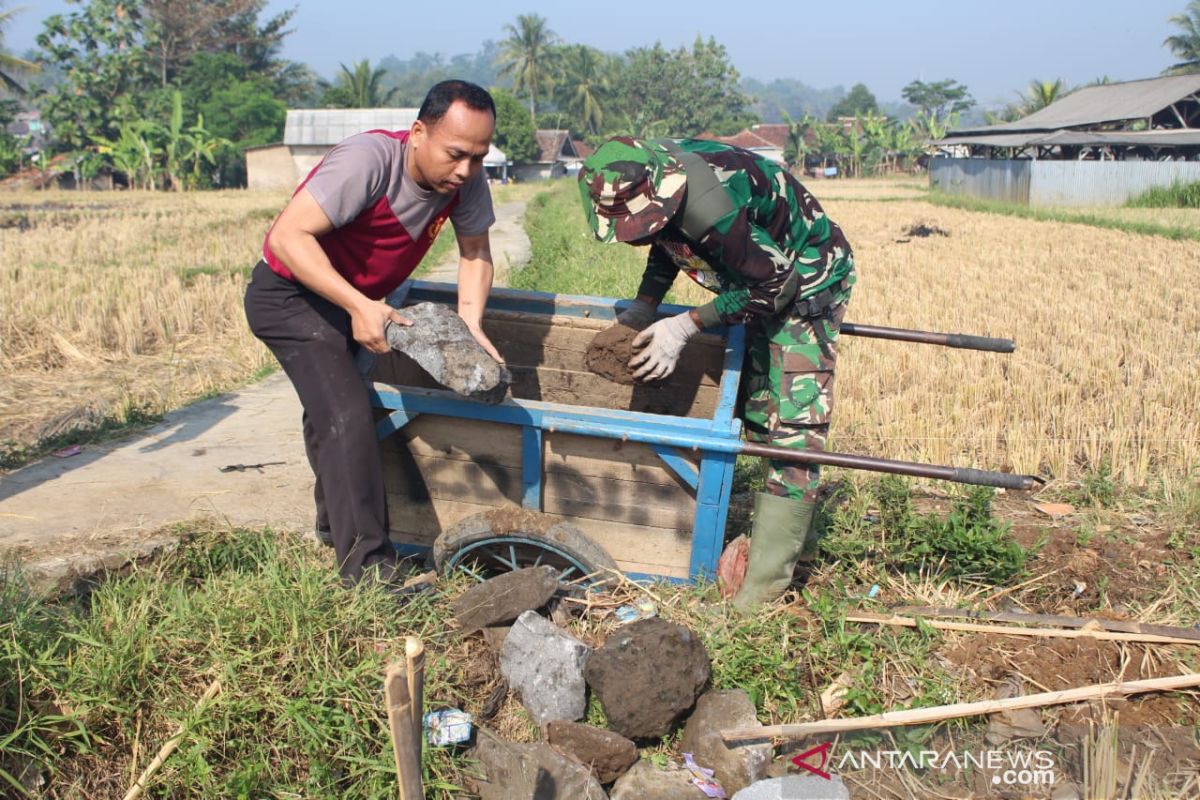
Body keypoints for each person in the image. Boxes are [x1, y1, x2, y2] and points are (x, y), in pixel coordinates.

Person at [244, 80, 501, 594]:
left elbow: (474, 250)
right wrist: (358, 305)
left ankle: (331, 526)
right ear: (418, 133)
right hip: (290, 295)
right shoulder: (367, 162)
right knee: (347, 416)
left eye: (478, 157)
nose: (466, 170)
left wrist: (471, 326)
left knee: (330, 410)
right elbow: (286, 237)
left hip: (355, 299)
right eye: (455, 154)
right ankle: (369, 575)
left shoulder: (465, 181)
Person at [578, 136, 855, 609]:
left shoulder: (709, 205)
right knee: (754, 403)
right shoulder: (657, 178)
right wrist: (645, 307)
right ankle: (768, 533)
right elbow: (668, 240)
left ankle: (762, 593)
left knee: (790, 424)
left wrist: (687, 325)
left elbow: (776, 283)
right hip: (751, 272)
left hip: (805, 277)